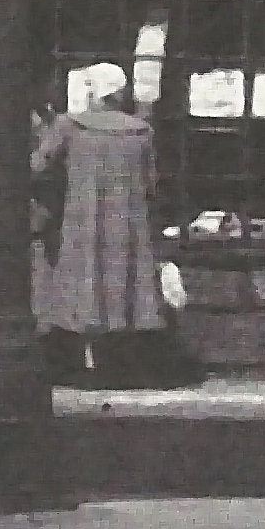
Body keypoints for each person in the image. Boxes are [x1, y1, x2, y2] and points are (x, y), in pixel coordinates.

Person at [31, 64, 166, 383]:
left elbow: (37, 166)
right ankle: (118, 359)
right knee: (124, 280)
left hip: (83, 220)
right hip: (127, 224)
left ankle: (83, 359)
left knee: (83, 281)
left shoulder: (70, 126)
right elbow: (151, 185)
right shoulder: (141, 132)